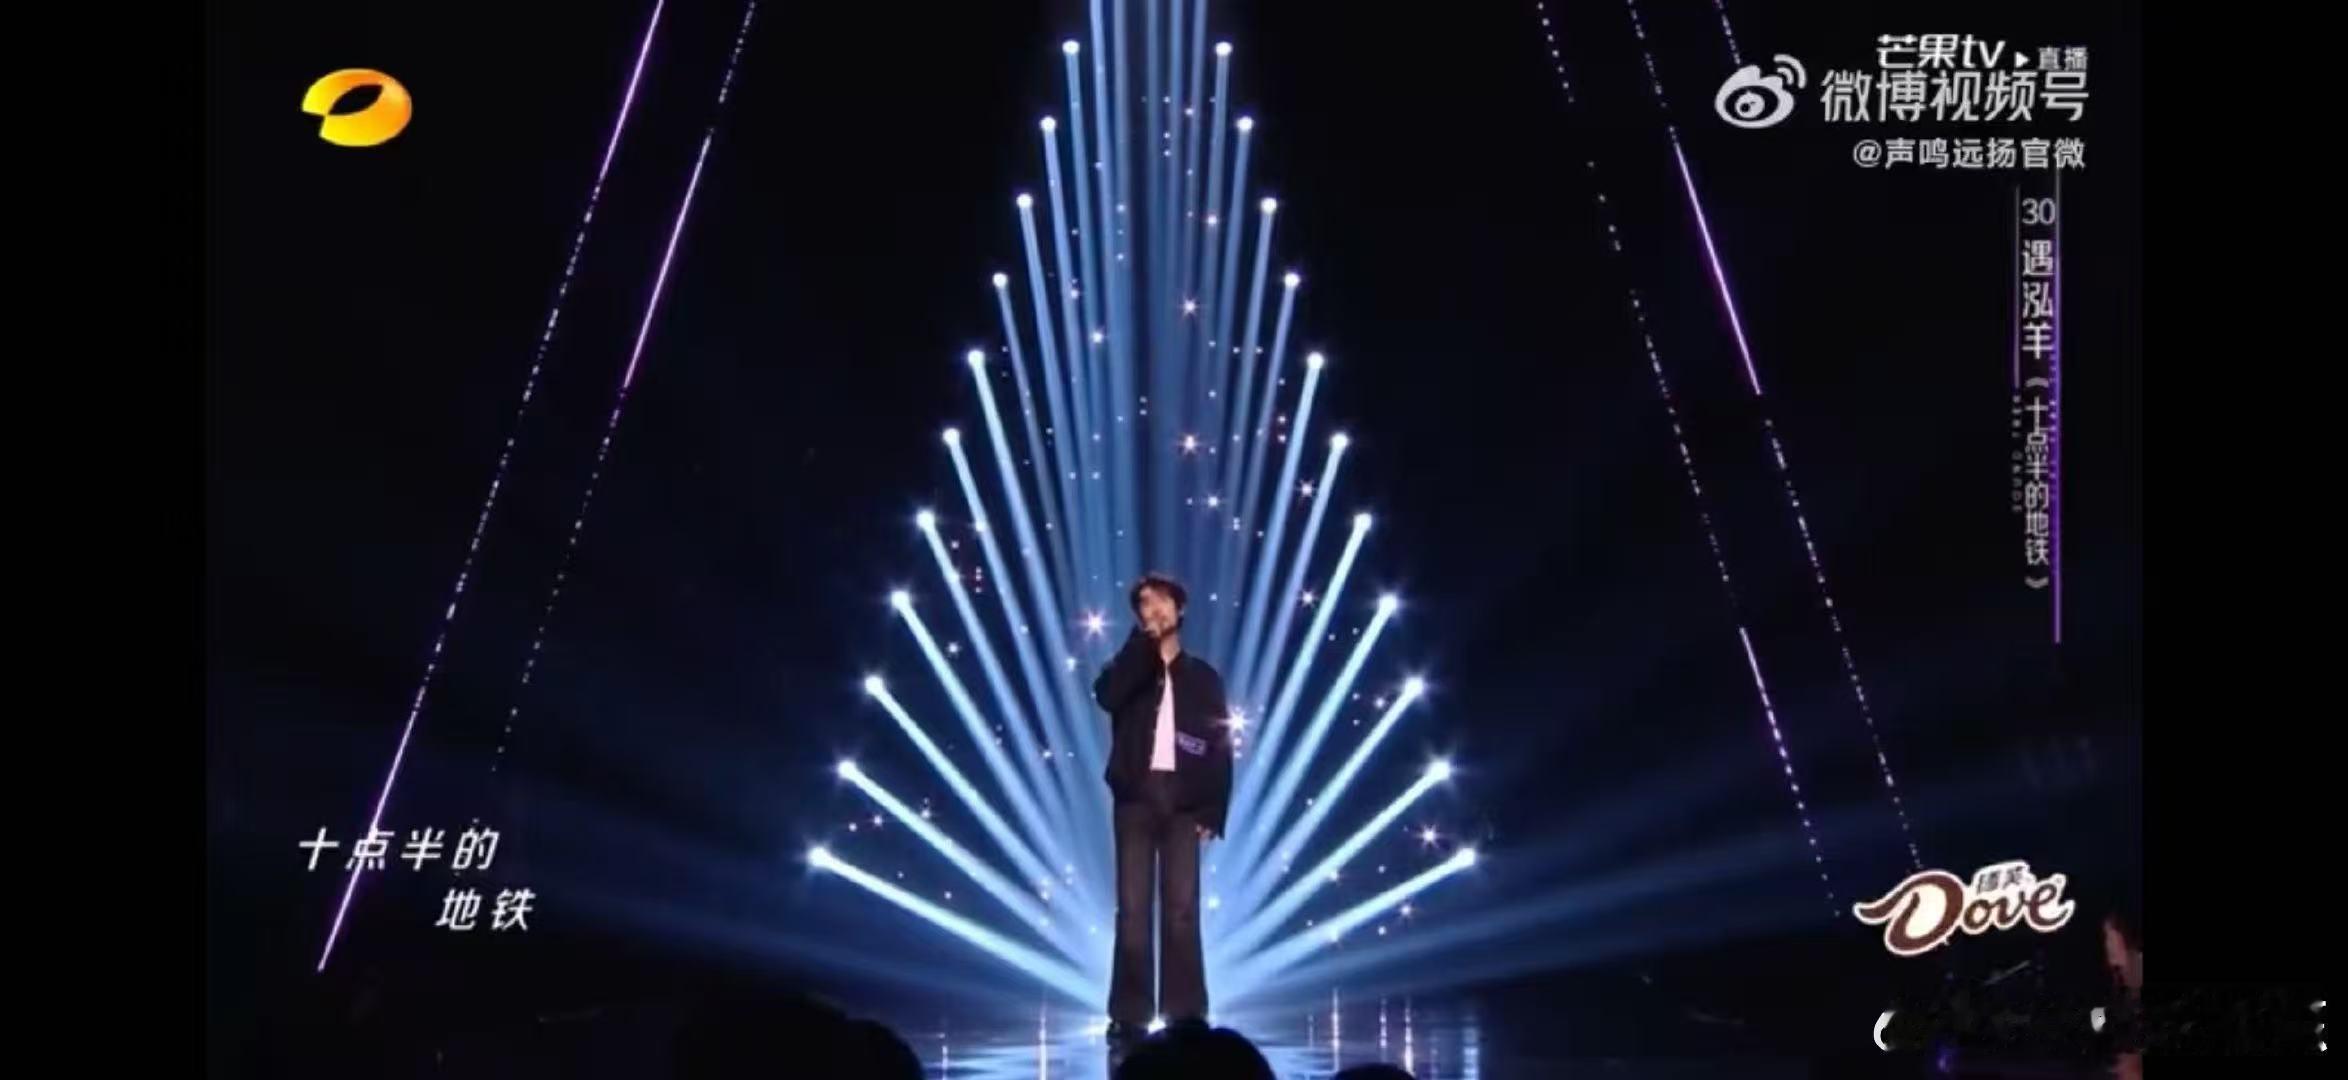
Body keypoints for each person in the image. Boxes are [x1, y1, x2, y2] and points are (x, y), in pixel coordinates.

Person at [1094, 571, 1233, 1044]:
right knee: (1133, 910)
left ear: (1180, 609)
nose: (1155, 610)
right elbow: (1107, 695)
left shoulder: (1204, 677)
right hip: (1135, 800)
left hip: (1184, 803)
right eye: (1145, 605)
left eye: (1163, 602)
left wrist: (1213, 810)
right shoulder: (1129, 668)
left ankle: (1185, 1013)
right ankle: (1130, 1015)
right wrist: (1141, 647)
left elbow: (1219, 745)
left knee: (1182, 910)